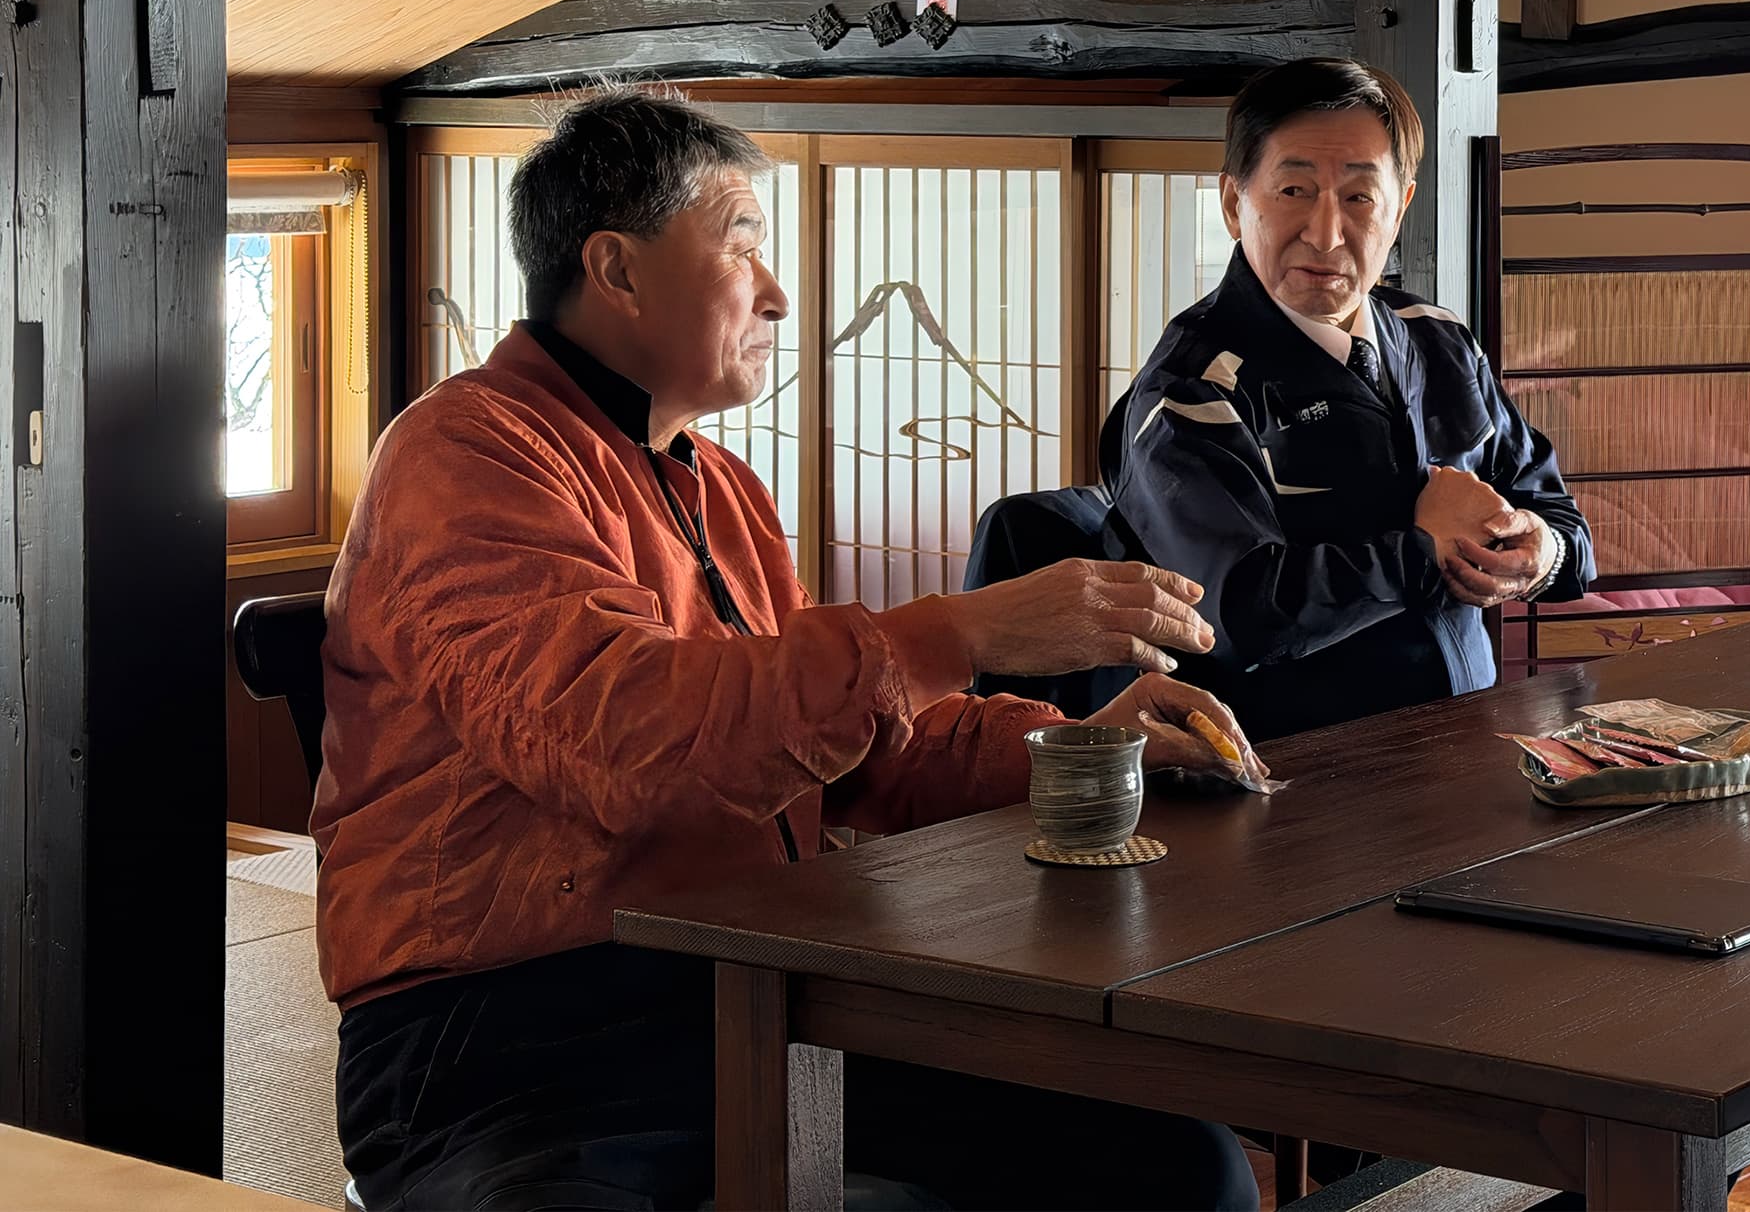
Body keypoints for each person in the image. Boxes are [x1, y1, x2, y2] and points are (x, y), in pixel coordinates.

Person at [315, 89, 1264, 1212]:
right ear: (615, 270)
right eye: (741, 243)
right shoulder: (466, 450)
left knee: (1170, 1163)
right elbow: (616, 740)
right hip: (504, 1036)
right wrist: (964, 629)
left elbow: (859, 749)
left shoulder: (719, 486)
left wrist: (1082, 750)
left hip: (751, 993)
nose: (775, 294)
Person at [1101, 59, 1594, 741]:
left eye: (1360, 197)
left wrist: (1541, 554)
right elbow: (1236, 616)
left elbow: (1561, 520)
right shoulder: (1192, 388)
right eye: (1295, 190)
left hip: (1473, 742)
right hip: (1297, 779)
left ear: (1401, 208)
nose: (1327, 234)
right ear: (1232, 204)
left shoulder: (1438, 339)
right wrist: (1430, 551)